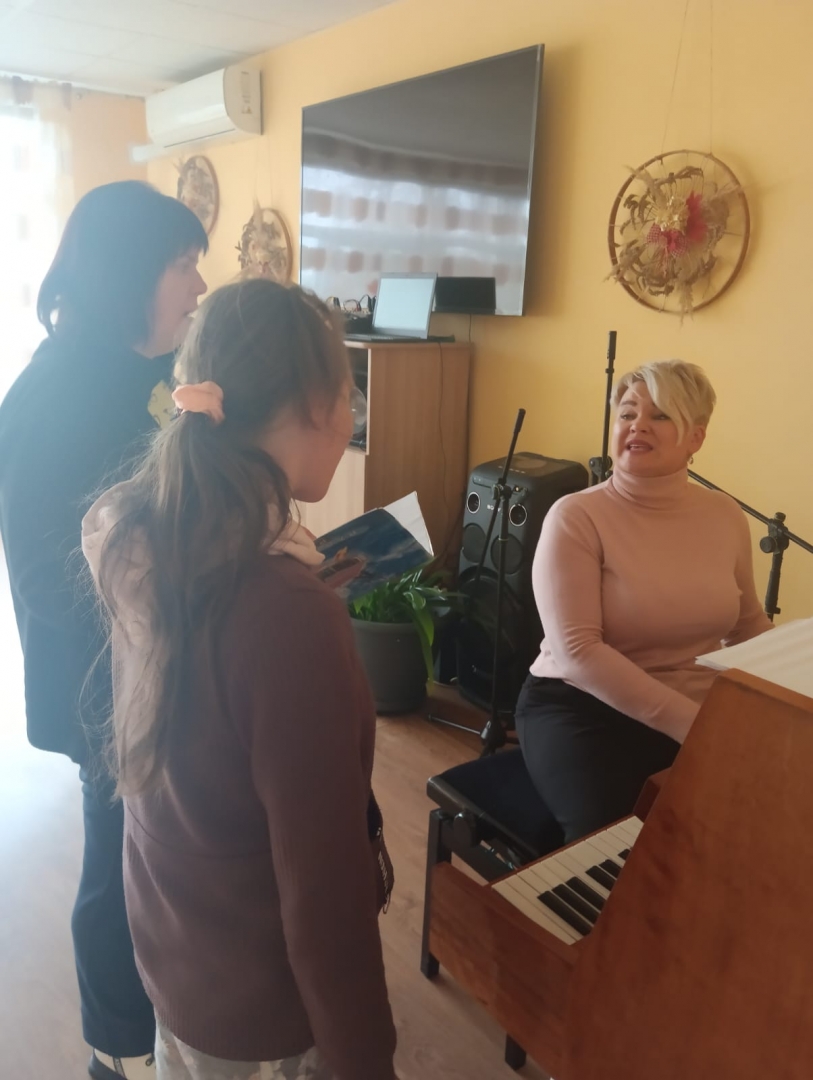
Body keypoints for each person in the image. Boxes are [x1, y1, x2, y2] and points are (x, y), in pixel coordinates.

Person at [81, 279, 397, 1080]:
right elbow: (324, 895)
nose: (351, 414)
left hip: (178, 955)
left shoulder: (138, 531)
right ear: (321, 403)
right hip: (262, 1007)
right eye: (350, 394)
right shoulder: (283, 611)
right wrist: (366, 1062)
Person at [0, 181, 208, 1080]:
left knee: (167, 856)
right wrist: (166, 608)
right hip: (106, 684)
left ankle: (176, 1023)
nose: (198, 285)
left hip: (181, 661)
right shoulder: (44, 399)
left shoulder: (153, 375)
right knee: (118, 865)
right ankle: (114, 1053)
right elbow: (49, 578)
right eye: (183, 263)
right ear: (128, 272)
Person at [515, 359, 773, 844]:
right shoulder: (576, 516)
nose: (637, 425)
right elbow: (577, 652)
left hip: (694, 702)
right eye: (628, 413)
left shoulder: (724, 514)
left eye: (660, 415)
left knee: (757, 819)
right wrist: (691, 726)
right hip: (582, 707)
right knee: (621, 843)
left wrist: (795, 682)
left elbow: (747, 626)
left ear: (696, 437)